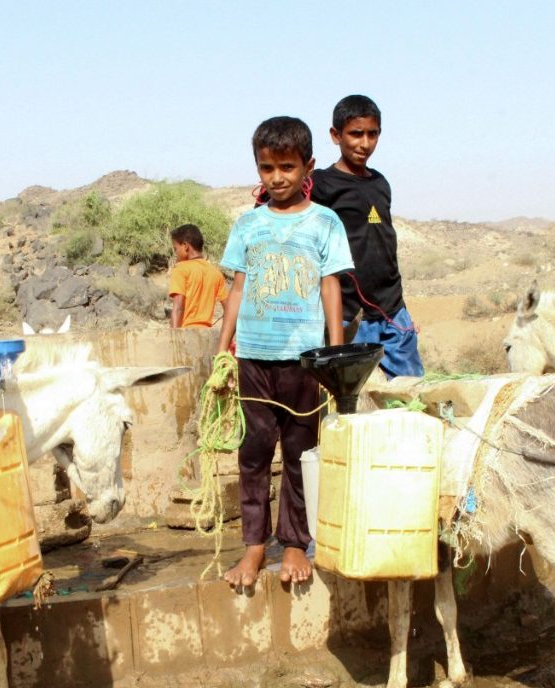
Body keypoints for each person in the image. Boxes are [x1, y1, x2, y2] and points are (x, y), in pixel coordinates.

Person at [215, 116, 350, 588]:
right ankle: (254, 547)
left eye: (287, 167)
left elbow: (330, 286)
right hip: (254, 356)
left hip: (304, 361)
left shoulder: (324, 222)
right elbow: (236, 287)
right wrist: (222, 350)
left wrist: (334, 355)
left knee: (299, 450)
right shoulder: (248, 225)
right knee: (253, 453)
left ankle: (295, 542)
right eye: (267, 167)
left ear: (308, 166)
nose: (277, 177)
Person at [311, 95, 423, 377]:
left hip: (393, 312)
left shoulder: (380, 182)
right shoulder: (321, 185)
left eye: (372, 134)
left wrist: (399, 307)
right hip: (349, 316)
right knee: (355, 406)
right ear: (336, 135)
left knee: (412, 399)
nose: (364, 143)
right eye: (356, 134)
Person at [167, 224, 228, 328]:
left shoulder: (181, 269)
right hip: (206, 335)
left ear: (185, 246)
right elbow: (229, 309)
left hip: (186, 334)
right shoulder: (216, 273)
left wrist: (174, 339)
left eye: (176, 249)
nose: (176, 253)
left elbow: (178, 308)